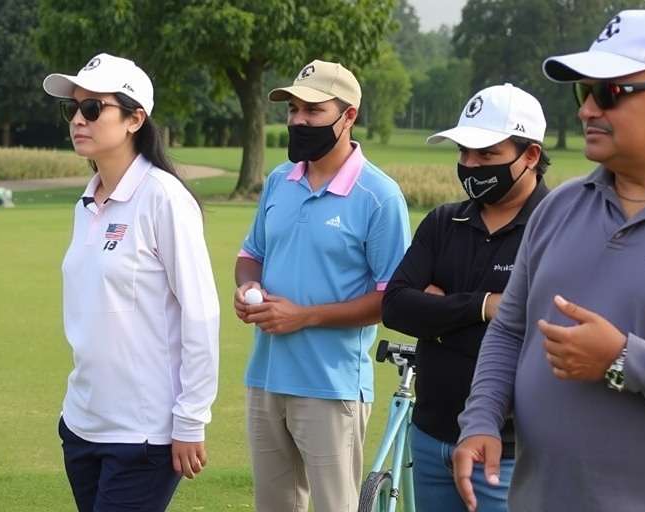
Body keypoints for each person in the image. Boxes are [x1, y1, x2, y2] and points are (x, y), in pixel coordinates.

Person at [453, 9, 645, 512]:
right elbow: (512, 330)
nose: (585, 111)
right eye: (583, 92)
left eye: (609, 92)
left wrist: (625, 361)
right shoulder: (560, 206)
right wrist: (482, 419)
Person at [43, 53, 220, 511]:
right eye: (74, 109)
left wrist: (190, 420)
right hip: (83, 424)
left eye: (93, 108)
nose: (78, 120)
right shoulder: (87, 201)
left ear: (135, 118)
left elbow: (200, 313)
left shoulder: (163, 198)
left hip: (144, 433)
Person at [234, 60, 411, 512]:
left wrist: (304, 316)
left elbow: (392, 297)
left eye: (313, 110)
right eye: (293, 109)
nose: (298, 121)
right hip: (266, 378)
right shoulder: (279, 180)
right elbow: (250, 254)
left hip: (332, 387)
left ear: (348, 115)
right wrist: (247, 287)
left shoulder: (379, 196)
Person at [382, 83, 551, 512]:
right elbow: (396, 306)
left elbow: (540, 336)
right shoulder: (443, 221)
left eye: (486, 155)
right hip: (429, 433)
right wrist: (482, 307)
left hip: (511, 452)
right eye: (463, 153)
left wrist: (437, 315)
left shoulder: (556, 229)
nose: (470, 165)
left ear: (530, 156)